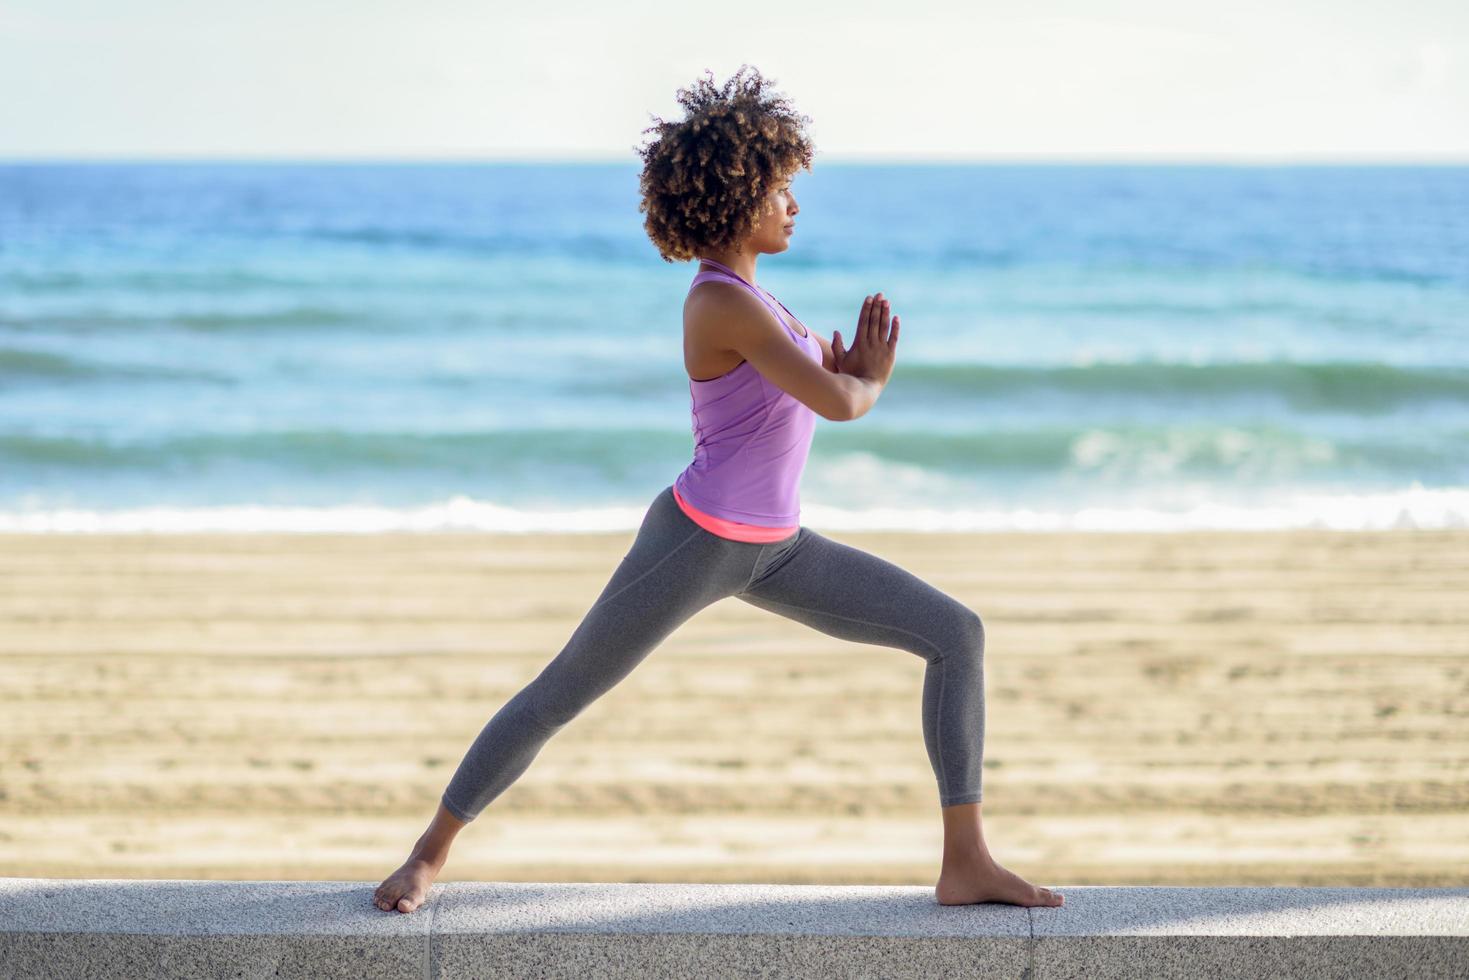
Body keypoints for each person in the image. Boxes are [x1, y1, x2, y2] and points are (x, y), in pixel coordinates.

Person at [374, 64, 1064, 914]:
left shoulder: (759, 299)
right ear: (739, 196)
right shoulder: (720, 304)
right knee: (564, 690)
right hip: (697, 543)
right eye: (781, 188)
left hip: (776, 548)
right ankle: (428, 856)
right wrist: (869, 379)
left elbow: (808, 385)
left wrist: (839, 367)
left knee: (955, 633)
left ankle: (966, 861)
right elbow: (842, 406)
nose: (794, 204)